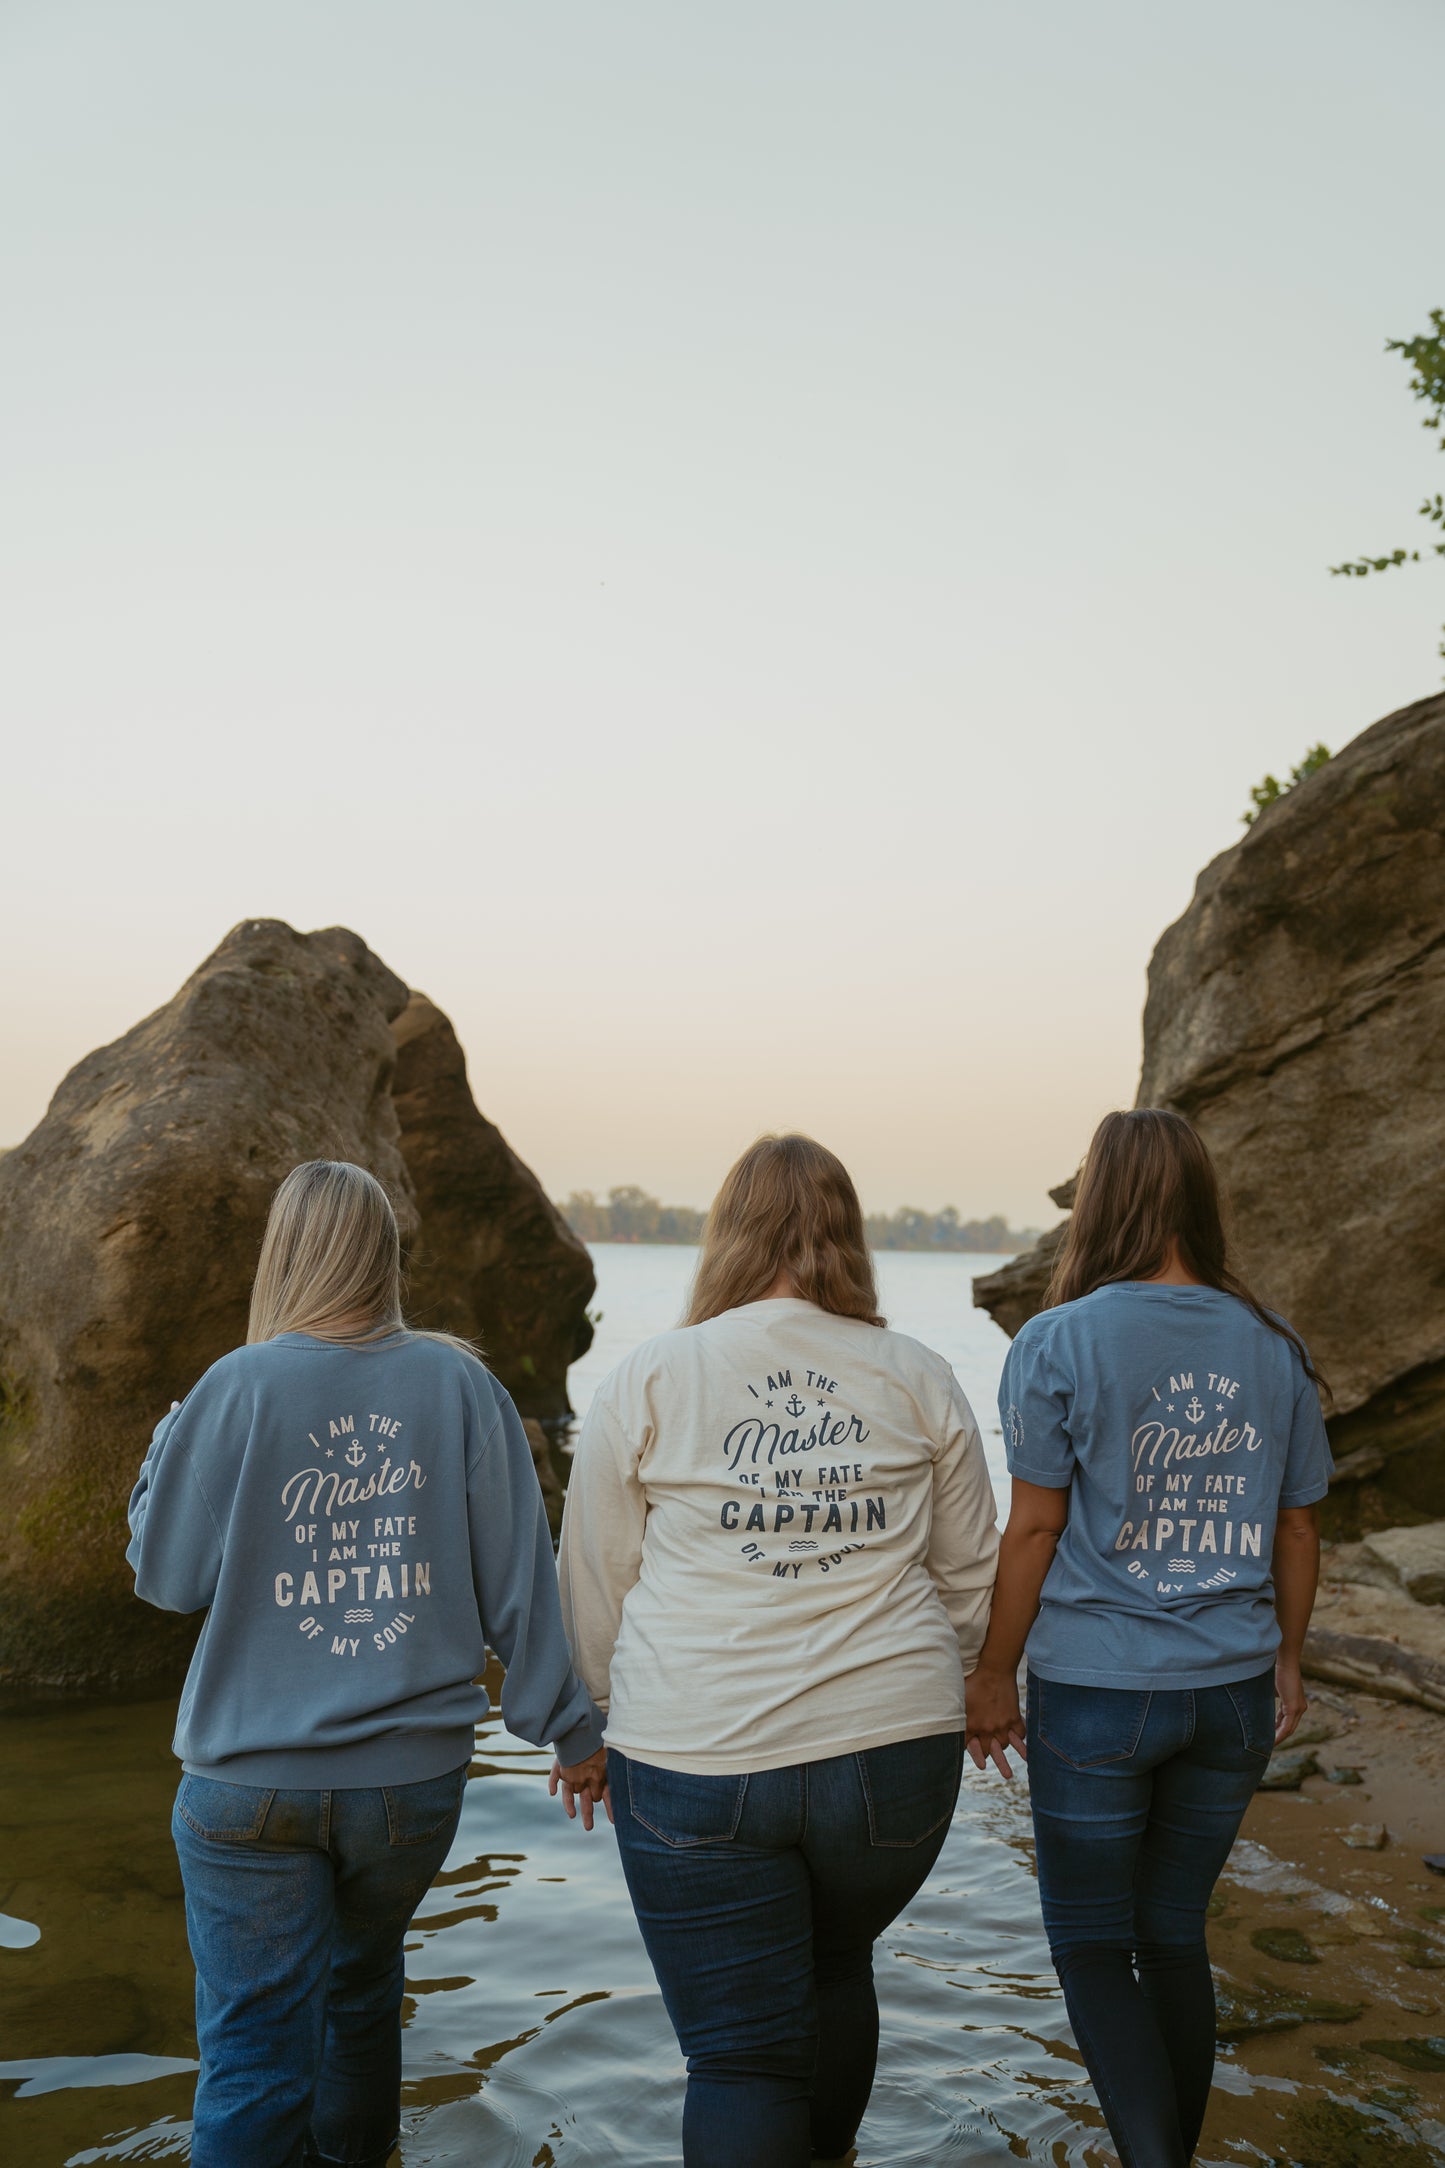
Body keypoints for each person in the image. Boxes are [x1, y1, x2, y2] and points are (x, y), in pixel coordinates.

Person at [126, 1159, 608, 2168]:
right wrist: (570, 1730)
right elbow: (522, 1582)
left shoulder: (233, 1385)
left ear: (284, 1255)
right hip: (407, 1789)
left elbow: (166, 1577)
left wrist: (163, 1453)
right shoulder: (461, 1383)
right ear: (384, 1255)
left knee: (255, 2054)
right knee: (360, 1989)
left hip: (246, 1789)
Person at [554, 1132, 1000, 2168]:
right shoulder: (918, 1373)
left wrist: (583, 1720)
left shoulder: (652, 1374)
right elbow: (969, 1569)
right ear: (847, 1238)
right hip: (894, 1756)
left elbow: (594, 1574)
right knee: (837, 1963)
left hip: (700, 1757)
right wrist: (978, 1678)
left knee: (739, 2059)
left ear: (726, 1233)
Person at [964, 1108, 1331, 2168]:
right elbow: (1296, 1523)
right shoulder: (1271, 1343)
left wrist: (993, 1669)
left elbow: (1032, 1523)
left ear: (1098, 1202)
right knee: (1171, 1929)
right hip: (1227, 1695)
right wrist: (1288, 1656)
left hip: (1095, 1691)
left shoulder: (1057, 1339)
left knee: (1088, 1939)